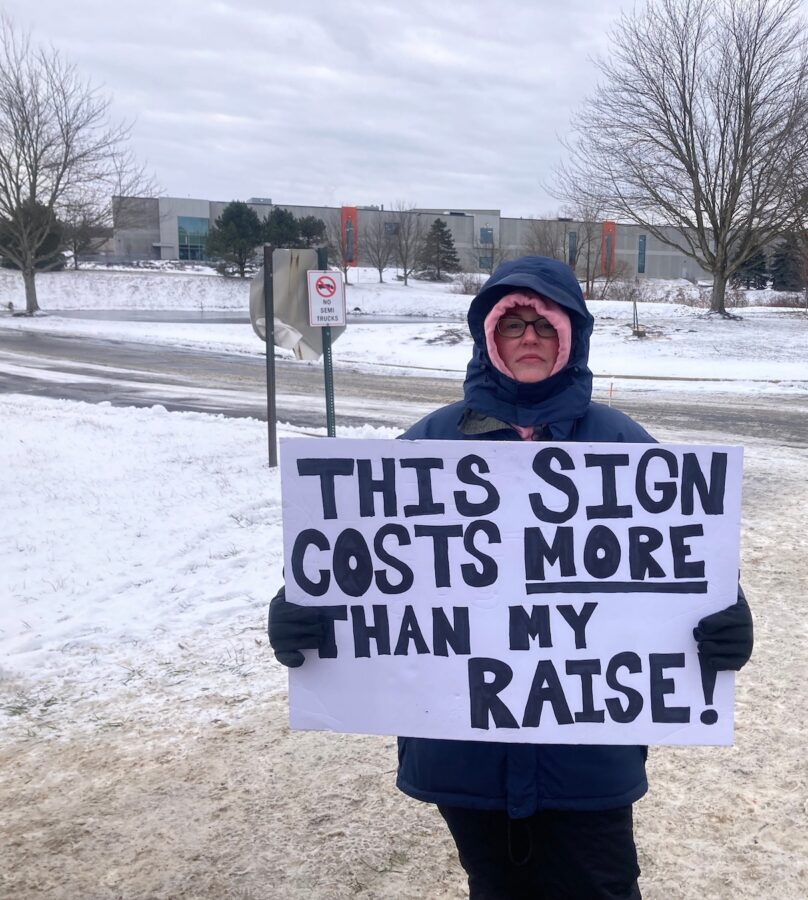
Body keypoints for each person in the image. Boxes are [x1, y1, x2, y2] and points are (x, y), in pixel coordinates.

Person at [266, 256, 754, 899]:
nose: (529, 337)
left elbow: (674, 559)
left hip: (587, 753)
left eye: (544, 326)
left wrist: (727, 617)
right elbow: (359, 560)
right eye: (513, 323)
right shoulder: (429, 444)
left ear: (571, 336)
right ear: (489, 338)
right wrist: (295, 609)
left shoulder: (622, 445)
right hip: (465, 752)